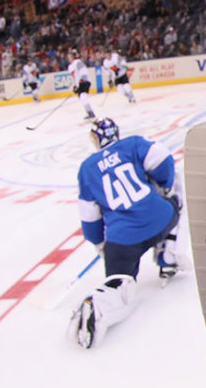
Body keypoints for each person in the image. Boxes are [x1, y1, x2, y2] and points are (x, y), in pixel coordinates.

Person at [69, 117, 181, 349]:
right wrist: (166, 185)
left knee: (120, 284)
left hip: (122, 243)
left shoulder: (87, 168)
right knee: (176, 200)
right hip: (159, 220)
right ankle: (168, 253)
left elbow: (90, 219)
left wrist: (100, 245)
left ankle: (99, 304)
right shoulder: (131, 145)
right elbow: (162, 159)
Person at [67, 50, 97, 119]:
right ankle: (89, 112)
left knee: (83, 97)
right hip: (80, 83)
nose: (69, 58)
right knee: (82, 98)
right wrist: (76, 85)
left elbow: (83, 72)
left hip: (84, 82)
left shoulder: (78, 62)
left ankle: (90, 113)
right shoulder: (70, 67)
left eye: (70, 57)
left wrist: (82, 80)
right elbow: (75, 77)